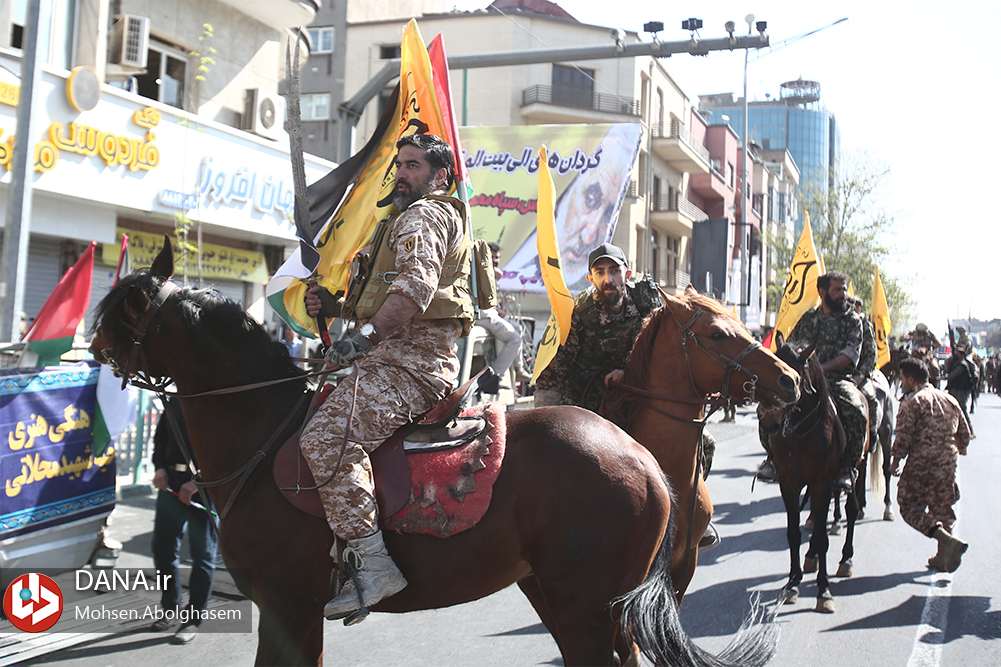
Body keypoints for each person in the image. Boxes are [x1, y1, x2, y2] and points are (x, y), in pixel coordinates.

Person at [301, 133, 474, 623]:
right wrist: (336, 308)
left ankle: (375, 566)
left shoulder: (424, 215)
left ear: (440, 176)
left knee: (325, 438)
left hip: (410, 367)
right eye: (400, 164)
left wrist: (364, 338)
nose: (402, 173)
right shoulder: (404, 218)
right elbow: (388, 294)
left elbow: (415, 290)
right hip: (393, 360)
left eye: (414, 165)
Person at [534, 243, 719, 547]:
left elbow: (669, 337)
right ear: (591, 278)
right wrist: (550, 422)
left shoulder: (646, 299)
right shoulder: (579, 312)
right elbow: (555, 372)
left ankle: (689, 515)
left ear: (627, 272)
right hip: (588, 395)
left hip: (637, 389)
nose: (609, 278)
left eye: (615, 270)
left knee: (705, 444)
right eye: (601, 272)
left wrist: (628, 371)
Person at [759, 271, 868, 491]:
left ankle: (849, 466)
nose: (843, 294)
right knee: (766, 409)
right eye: (838, 289)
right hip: (804, 380)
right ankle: (772, 458)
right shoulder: (809, 318)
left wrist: (821, 369)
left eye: (844, 289)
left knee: (856, 411)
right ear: (822, 292)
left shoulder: (852, 319)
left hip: (837, 380)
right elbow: (790, 348)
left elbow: (850, 354)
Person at [890, 358, 970, 572]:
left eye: (902, 379)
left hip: (922, 463)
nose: (902, 384)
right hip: (948, 464)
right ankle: (943, 556)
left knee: (908, 505)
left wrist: (896, 460)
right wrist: (953, 452)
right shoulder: (950, 399)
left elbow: (904, 437)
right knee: (943, 507)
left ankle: (945, 539)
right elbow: (965, 434)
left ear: (911, 379)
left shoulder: (913, 401)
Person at [150, 397, 218, 644]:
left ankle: (193, 619)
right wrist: (159, 468)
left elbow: (222, 451)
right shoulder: (174, 402)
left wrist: (198, 483)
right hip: (170, 482)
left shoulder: (215, 402)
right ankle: (169, 607)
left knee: (203, 555)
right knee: (162, 549)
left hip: (204, 487)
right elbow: (160, 439)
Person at [476, 242, 532, 394]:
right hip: (483, 315)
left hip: (490, 312)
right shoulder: (481, 269)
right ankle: (494, 375)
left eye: (497, 258)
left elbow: (487, 297)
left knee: (518, 328)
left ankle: (519, 368)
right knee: (515, 339)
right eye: (492, 257)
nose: (495, 260)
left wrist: (499, 306)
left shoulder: (491, 272)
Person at [943, 344, 976, 438]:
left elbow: (952, 375)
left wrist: (942, 377)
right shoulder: (957, 364)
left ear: (962, 355)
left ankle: (970, 431)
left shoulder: (962, 365)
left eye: (957, 354)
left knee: (962, 410)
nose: (955, 355)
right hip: (956, 390)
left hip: (961, 392)